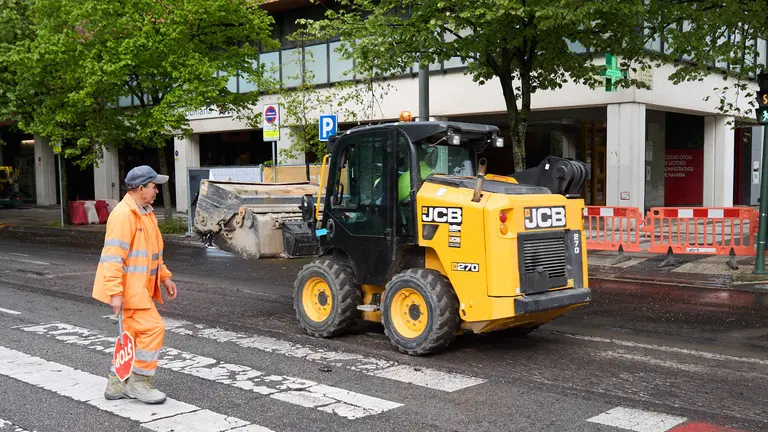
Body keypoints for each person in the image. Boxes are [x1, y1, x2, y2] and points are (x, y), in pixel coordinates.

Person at [92, 165, 178, 404]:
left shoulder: (145, 213)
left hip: (138, 289)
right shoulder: (124, 215)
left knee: (130, 337)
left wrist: (164, 277)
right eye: (153, 187)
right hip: (130, 291)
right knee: (153, 329)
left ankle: (117, 383)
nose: (156, 191)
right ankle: (139, 382)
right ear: (140, 189)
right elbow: (112, 258)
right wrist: (115, 292)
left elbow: (154, 254)